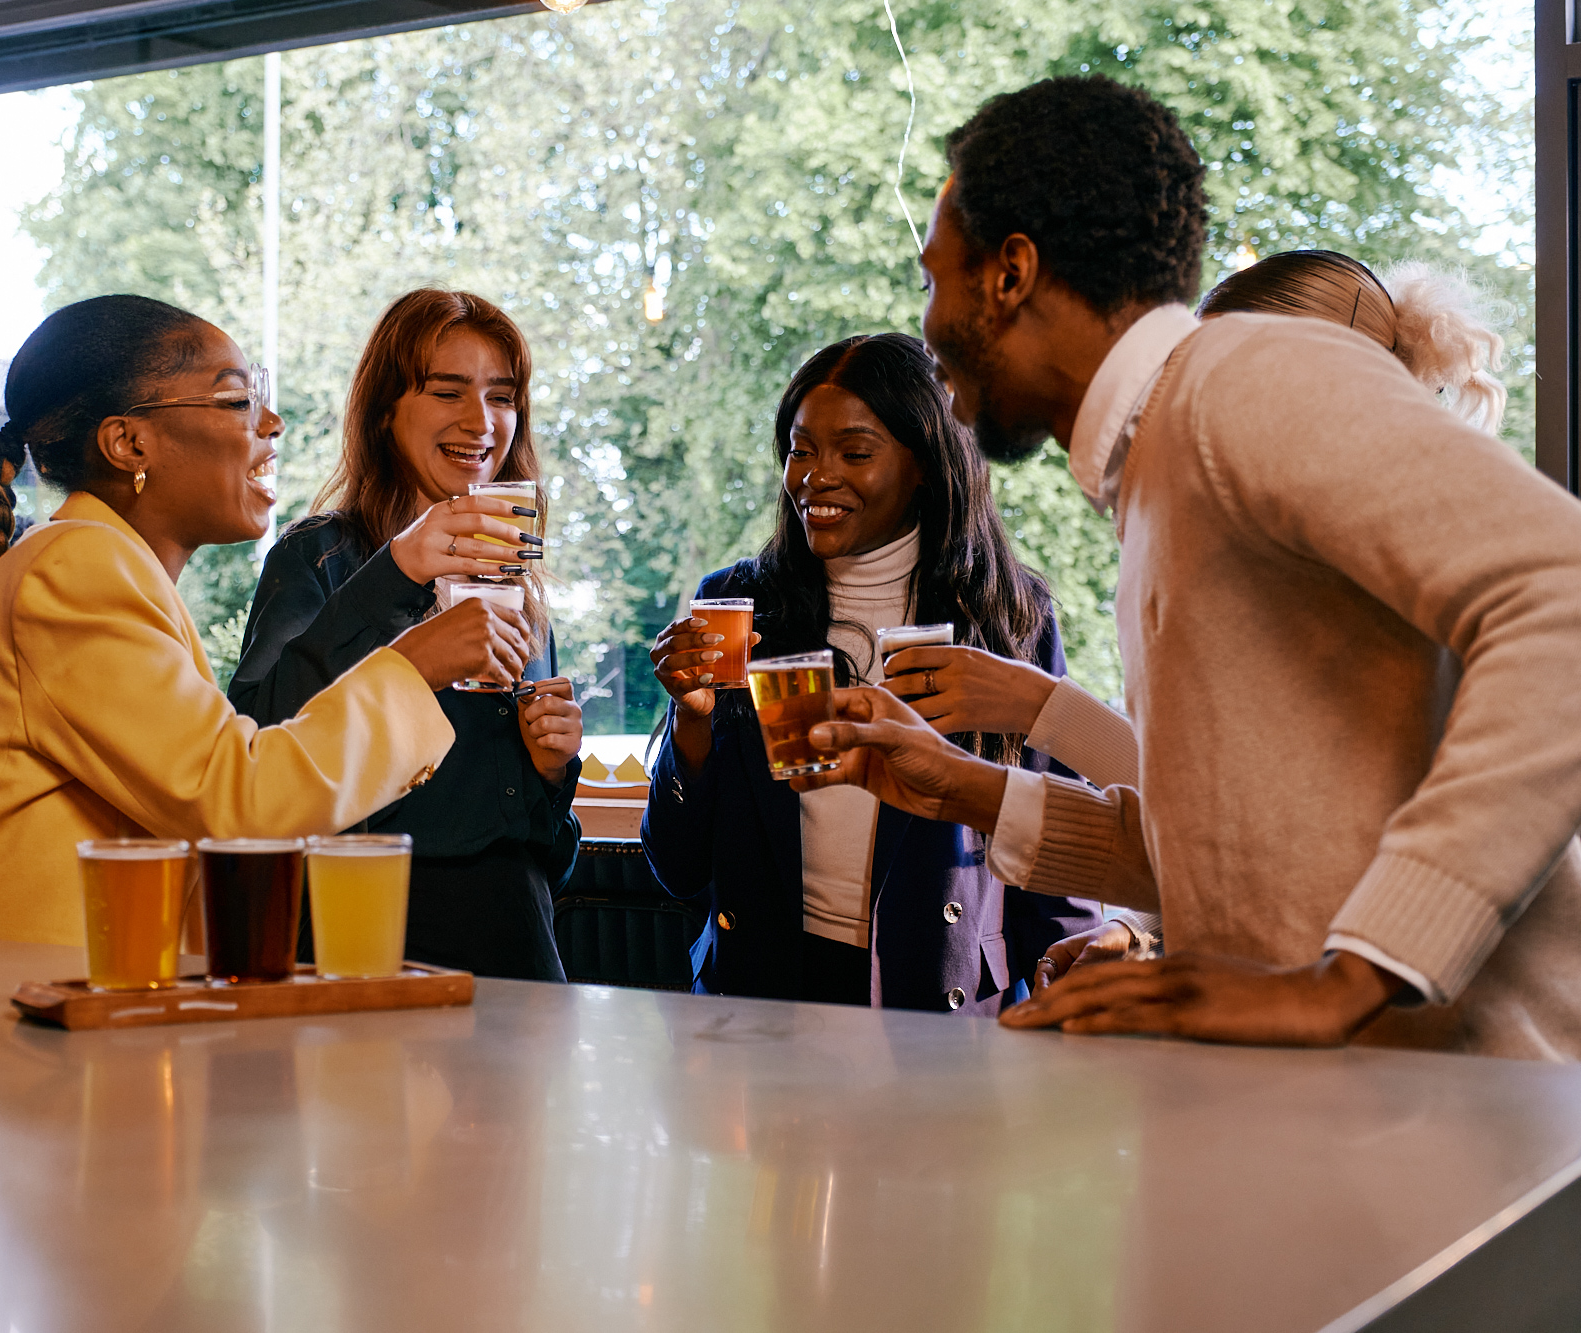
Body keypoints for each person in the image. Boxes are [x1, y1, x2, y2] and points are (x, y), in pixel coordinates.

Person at [793, 75, 1581, 1057]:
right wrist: (963, 788)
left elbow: (1563, 598)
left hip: (1476, 1124)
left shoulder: (1237, 378)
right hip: (1348, 1126)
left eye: (932, 277)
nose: (927, 322)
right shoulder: (1156, 470)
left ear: (1010, 274)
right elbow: (1233, 850)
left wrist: (1347, 977)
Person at [896, 247, 1517, 981]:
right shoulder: (1257, 550)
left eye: (1220, 375)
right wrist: (1141, 932)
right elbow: (1237, 834)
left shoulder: (1408, 557)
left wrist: (1042, 708)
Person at [0, 294, 515, 943]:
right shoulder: (75, 569)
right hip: (20, 1009)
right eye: (236, 401)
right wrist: (414, 665)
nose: (271, 422)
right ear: (129, 443)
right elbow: (238, 799)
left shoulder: (103, 567)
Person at [640, 332, 1099, 1010]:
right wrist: (691, 722)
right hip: (766, 996)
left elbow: (1053, 837)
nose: (815, 476)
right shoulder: (736, 604)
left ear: (924, 464)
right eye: (800, 450)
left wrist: (1075, 983)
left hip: (942, 1002)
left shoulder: (1008, 613)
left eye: (855, 452)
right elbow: (678, 869)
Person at [228, 289, 584, 981]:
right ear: (385, 409)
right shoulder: (318, 557)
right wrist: (395, 573)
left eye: (502, 396)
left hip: (516, 947)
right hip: (364, 935)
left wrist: (551, 770)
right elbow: (258, 731)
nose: (480, 421)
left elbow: (542, 849)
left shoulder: (522, 581)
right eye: (448, 392)